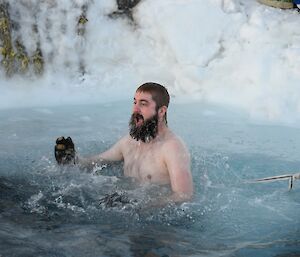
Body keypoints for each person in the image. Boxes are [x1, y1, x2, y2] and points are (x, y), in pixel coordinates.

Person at [55, 82, 193, 205]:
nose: (135, 110)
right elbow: (96, 162)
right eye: (135, 102)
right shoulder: (130, 141)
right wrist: (71, 159)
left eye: (143, 104)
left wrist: (138, 206)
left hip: (154, 225)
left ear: (161, 111)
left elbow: (183, 196)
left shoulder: (172, 147)